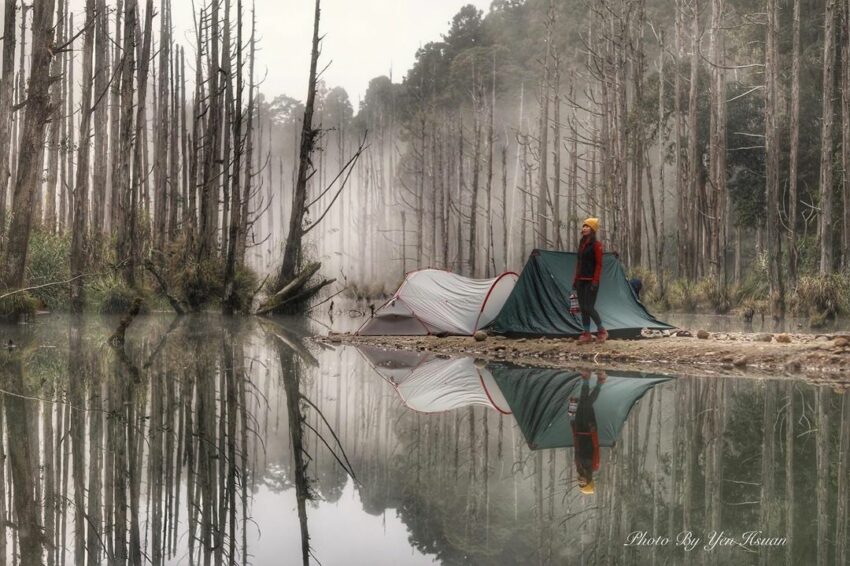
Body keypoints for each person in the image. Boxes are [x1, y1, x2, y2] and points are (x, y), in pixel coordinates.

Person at [569, 369, 606, 494]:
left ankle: (587, 378)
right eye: (583, 483)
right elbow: (596, 448)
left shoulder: (578, 466)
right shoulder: (594, 466)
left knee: (582, 404)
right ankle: (599, 381)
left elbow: (576, 447)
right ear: (589, 481)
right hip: (589, 430)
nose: (580, 481)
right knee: (587, 404)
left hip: (579, 430)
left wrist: (573, 428)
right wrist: (593, 431)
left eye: (579, 484)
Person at [572, 217, 608, 344]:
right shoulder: (582, 244)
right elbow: (579, 263)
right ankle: (586, 333)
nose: (584, 228)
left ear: (592, 229)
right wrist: (575, 280)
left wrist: (595, 281)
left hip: (591, 280)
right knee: (583, 307)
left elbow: (599, 264)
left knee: (589, 307)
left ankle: (602, 331)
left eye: (587, 226)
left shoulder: (597, 245)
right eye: (583, 226)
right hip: (581, 280)